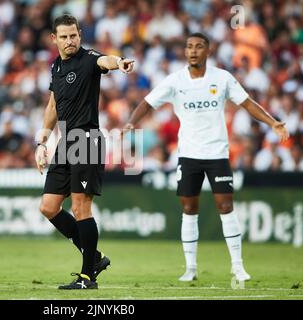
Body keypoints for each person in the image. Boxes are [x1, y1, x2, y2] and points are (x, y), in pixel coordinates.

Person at [123, 33, 289, 282]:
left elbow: (248, 103)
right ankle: (190, 268)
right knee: (189, 208)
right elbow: (147, 103)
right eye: (189, 46)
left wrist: (273, 122)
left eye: (198, 47)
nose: (193, 51)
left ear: (207, 51)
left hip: (217, 154)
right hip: (188, 154)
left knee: (226, 206)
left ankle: (237, 266)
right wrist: (131, 122)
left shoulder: (222, 78)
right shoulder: (175, 81)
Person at [35, 14, 134, 290]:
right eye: (64, 37)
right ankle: (95, 258)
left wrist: (120, 62)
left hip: (86, 139)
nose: (70, 41)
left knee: (80, 208)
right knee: (49, 206)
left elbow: (107, 60)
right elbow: (53, 107)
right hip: (66, 141)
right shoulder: (56, 66)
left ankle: (88, 277)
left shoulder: (89, 59)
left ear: (80, 35)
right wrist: (42, 142)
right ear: (54, 39)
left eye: (74, 35)